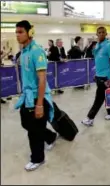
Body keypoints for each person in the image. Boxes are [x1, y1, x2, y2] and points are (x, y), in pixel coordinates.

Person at [14, 20, 57, 171]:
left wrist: (39, 104)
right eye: (16, 32)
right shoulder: (24, 51)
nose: (17, 35)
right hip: (27, 97)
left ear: (30, 32)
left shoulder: (36, 51)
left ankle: (38, 159)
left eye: (21, 32)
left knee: (33, 131)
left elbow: (42, 79)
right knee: (26, 124)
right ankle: (50, 136)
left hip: (37, 98)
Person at [81, 27, 110, 126]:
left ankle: (90, 118)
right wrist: (96, 75)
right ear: (96, 34)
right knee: (108, 94)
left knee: (99, 98)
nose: (101, 34)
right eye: (99, 33)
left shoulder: (109, 45)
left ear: (106, 34)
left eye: (103, 32)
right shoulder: (97, 45)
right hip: (99, 76)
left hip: (107, 77)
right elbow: (98, 61)